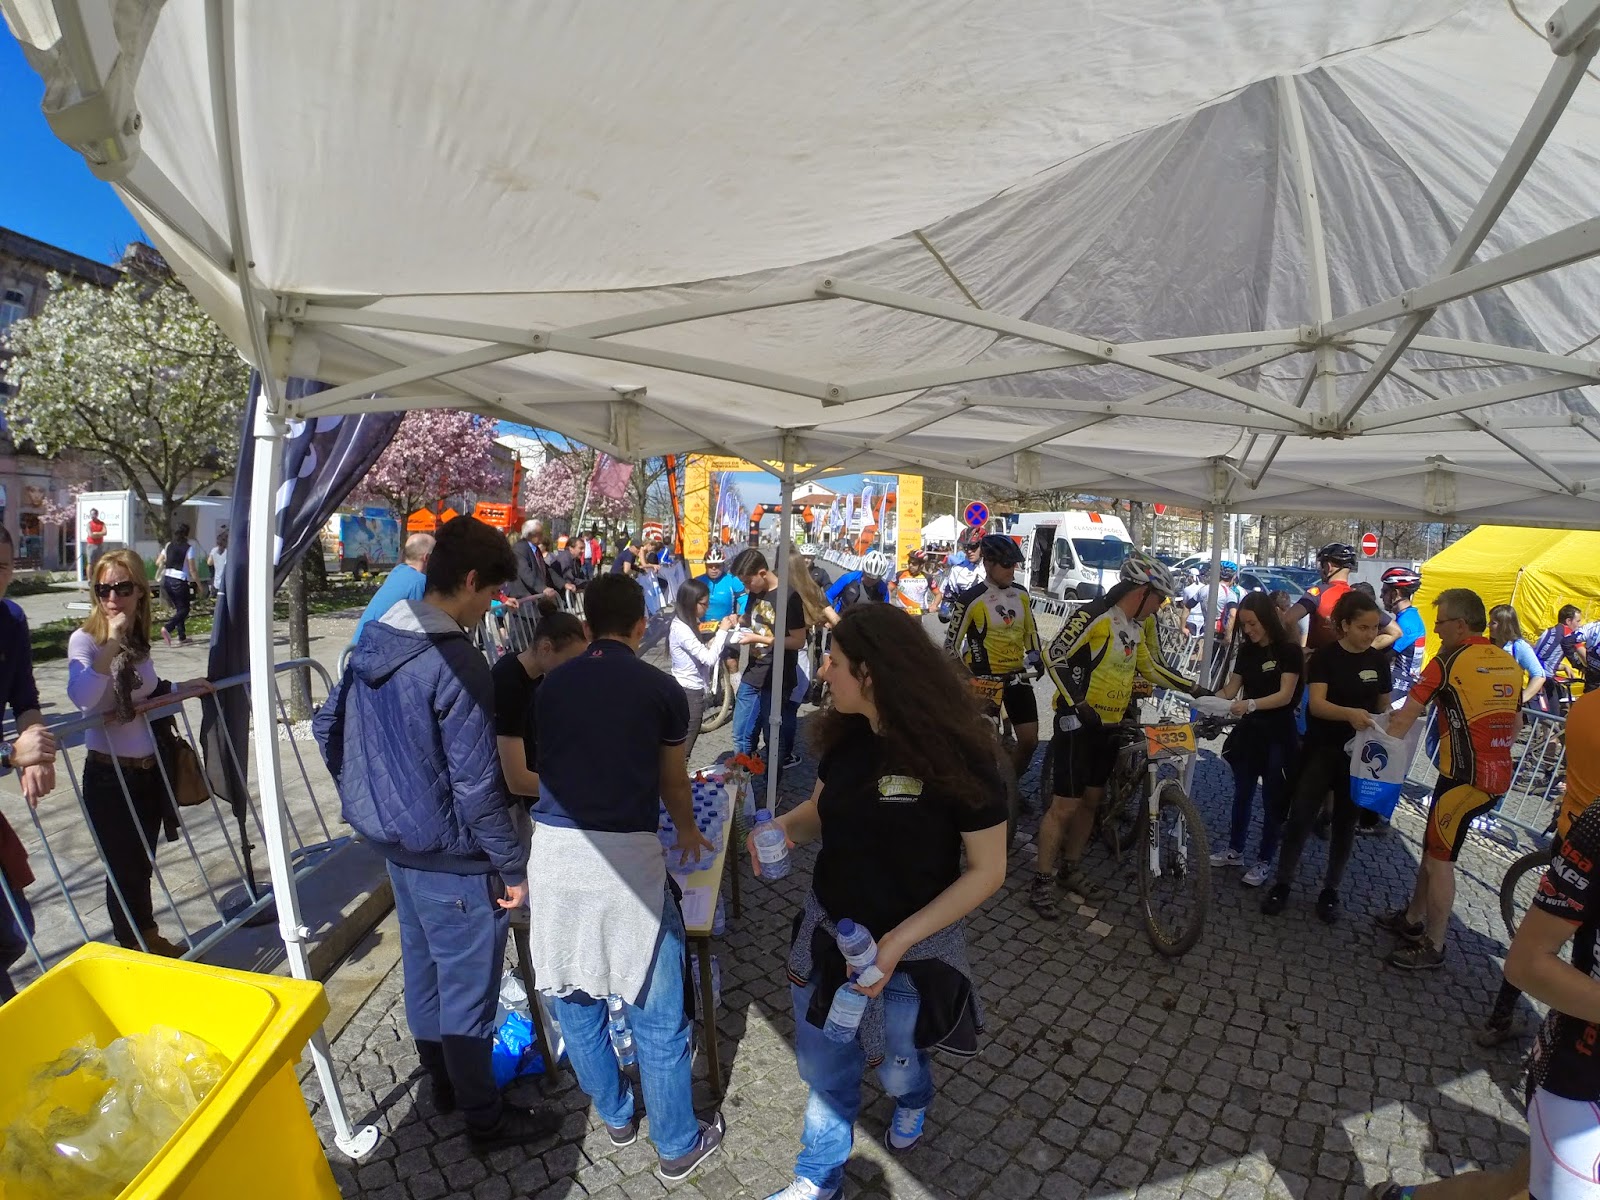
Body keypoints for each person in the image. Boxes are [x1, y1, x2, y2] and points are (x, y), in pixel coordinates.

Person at [313, 516, 557, 1152]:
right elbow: (477, 785)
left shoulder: (376, 636)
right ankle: (484, 1118)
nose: (491, 608)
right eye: (490, 594)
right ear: (470, 581)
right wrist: (512, 867)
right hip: (453, 858)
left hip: (398, 847)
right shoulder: (456, 660)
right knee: (468, 992)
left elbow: (327, 726)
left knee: (423, 973)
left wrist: (370, 794)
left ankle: (445, 1085)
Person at [748, 603, 1008, 1200]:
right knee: (824, 1070)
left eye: (834, 662)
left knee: (896, 1070)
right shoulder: (846, 734)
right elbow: (819, 812)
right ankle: (819, 1177)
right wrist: (782, 830)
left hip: (909, 956)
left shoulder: (961, 754)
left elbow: (988, 870)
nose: (822, 672)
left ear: (870, 672)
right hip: (828, 936)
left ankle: (915, 1096)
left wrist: (896, 943)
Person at [523, 574, 725, 1181]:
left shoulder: (551, 686)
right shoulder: (661, 689)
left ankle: (615, 1117)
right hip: (626, 863)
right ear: (642, 626)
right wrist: (686, 831)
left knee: (576, 1001)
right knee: (657, 1017)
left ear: (586, 627)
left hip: (553, 854)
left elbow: (550, 765)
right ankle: (676, 1145)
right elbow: (672, 779)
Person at [1034, 552, 1198, 918]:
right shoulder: (1094, 614)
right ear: (1141, 591)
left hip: (1110, 726)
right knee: (1065, 805)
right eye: (1159, 599)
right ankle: (1042, 881)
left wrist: (1196, 689)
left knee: (1092, 802)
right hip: (1078, 723)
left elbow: (1150, 669)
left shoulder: (1135, 626)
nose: (1159, 608)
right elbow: (1054, 654)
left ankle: (1071, 868)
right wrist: (1078, 703)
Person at [1376, 589, 1521, 969]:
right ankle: (1412, 919)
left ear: (1460, 624)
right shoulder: (1507, 662)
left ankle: (1434, 945)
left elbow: (1404, 718)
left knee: (1440, 860)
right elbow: (1517, 723)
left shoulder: (1447, 661)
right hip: (1491, 776)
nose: (1436, 630)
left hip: (1462, 780)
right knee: (1432, 847)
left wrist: (1368, 748)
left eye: (1440, 622)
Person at [68, 550, 183, 955]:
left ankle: (146, 935)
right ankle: (133, 943)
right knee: (123, 866)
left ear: (140, 592)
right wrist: (111, 643)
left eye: (122, 587)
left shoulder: (139, 643)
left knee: (141, 861)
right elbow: (83, 696)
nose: (112, 598)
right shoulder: (85, 640)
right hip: (108, 774)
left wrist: (183, 689)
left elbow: (146, 693)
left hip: (147, 769)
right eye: (104, 590)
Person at [1476, 686, 1600, 1047]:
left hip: (1569, 834)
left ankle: (1500, 1019)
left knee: (1536, 938)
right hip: (1592, 850)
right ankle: (1565, 1044)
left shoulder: (1586, 705)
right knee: (1584, 960)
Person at [1262, 590, 1392, 922]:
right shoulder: (1325, 657)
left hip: (1359, 756)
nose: (1370, 634)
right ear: (1345, 625)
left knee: (1345, 824)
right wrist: (1350, 714)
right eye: (1363, 627)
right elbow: (1317, 705)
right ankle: (1282, 883)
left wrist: (1392, 723)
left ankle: (1331, 890)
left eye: (1375, 627)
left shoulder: (1379, 661)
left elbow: (1383, 705)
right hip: (1321, 749)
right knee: (1301, 817)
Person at [0, 526, 58, 1001]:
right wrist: (11, 755)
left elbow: (25, 697)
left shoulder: (10, 619)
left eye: (1, 567)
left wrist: (37, 744)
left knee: (16, 928)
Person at [1211, 591, 1302, 887]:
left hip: (1279, 734)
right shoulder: (1247, 651)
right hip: (1250, 733)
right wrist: (1206, 701)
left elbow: (1285, 695)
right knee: (1242, 793)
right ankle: (1235, 849)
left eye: (1253, 624)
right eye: (1244, 625)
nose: (1248, 630)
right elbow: (1231, 689)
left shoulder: (1289, 651)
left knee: (1272, 800)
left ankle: (1264, 860)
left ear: (1267, 619)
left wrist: (1251, 704)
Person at [944, 533, 1045, 782]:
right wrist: (966, 675)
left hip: (1016, 675)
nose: (1012, 569)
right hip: (983, 678)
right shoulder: (970, 599)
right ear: (988, 563)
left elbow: (1030, 631)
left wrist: (1035, 655)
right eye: (1007, 564)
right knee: (985, 745)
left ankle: (1009, 788)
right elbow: (950, 646)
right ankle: (981, 790)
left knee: (1030, 741)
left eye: (1015, 564)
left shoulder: (1021, 594)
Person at [491, 599, 588, 803]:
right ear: (546, 648)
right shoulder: (508, 683)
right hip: (507, 802)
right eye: (569, 662)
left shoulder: (536, 677)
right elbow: (516, 779)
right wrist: (579, 790)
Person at [730, 548, 808, 767]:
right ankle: (742, 779)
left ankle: (770, 783)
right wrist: (737, 620)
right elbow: (752, 618)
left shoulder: (788, 597)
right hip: (754, 671)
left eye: (748, 582)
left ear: (762, 573)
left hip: (777, 675)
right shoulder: (756, 591)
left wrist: (759, 638)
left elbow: (798, 640)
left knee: (772, 736)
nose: (746, 587)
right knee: (741, 733)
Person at [1283, 542, 1402, 652]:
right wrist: (1362, 650)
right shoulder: (1359, 598)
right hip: (1350, 664)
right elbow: (1395, 632)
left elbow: (1289, 619)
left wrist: (1299, 651)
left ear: (1328, 567)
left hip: (1319, 663)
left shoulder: (1318, 593)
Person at [668, 578, 737, 762]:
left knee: (682, 746)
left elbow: (699, 652)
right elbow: (709, 659)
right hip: (689, 690)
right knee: (684, 749)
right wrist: (723, 631)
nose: (706, 608)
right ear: (692, 603)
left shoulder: (686, 622)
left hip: (687, 687)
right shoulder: (682, 628)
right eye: (704, 604)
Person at [353, 532, 434, 643]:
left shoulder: (398, 571)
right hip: (373, 649)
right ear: (427, 558)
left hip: (359, 646)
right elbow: (421, 628)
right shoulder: (418, 582)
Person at [1491, 604, 1549, 710]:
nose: (1488, 626)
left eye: (1493, 623)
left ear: (1505, 624)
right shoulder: (1488, 646)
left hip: (1509, 707)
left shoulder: (1519, 646)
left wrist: (1520, 699)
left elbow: (1539, 675)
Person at [1380, 568, 1427, 693]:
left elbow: (1382, 656)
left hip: (1400, 688)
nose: (1381, 596)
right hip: (1403, 684)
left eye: (1384, 591)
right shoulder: (1408, 617)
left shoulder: (1407, 623)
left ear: (1395, 594)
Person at [1535, 604, 1589, 711]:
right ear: (1568, 621)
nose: (1580, 625)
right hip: (1544, 679)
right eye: (1578, 621)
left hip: (1536, 675)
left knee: (1559, 703)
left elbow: (1544, 658)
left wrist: (1564, 666)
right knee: (1553, 715)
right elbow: (1585, 656)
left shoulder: (1549, 631)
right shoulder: (1569, 633)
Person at [156, 522, 200, 646]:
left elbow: (158, 562)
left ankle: (182, 636)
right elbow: (192, 569)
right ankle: (168, 628)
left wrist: (169, 560)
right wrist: (199, 585)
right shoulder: (188, 548)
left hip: (167, 580)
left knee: (179, 609)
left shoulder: (168, 545)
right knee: (185, 609)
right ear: (187, 534)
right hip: (179, 581)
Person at [825, 552, 893, 610]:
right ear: (863, 570)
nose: (870, 580)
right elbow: (828, 596)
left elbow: (885, 610)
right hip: (842, 617)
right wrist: (832, 616)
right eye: (868, 576)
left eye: (874, 579)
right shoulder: (849, 578)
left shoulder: (883, 588)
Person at [892, 550, 936, 615]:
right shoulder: (899, 574)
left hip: (918, 613)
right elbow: (888, 589)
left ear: (921, 565)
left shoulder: (927, 577)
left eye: (914, 564)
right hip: (901, 613)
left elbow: (938, 594)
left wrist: (934, 605)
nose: (910, 565)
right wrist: (889, 604)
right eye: (909, 562)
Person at [206, 527, 229, 604]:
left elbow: (209, 563)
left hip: (217, 582)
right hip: (226, 582)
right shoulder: (228, 551)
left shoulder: (214, 550)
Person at [83, 507, 107, 572]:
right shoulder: (89, 524)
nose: (92, 516)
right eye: (91, 514)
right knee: (90, 563)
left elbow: (105, 532)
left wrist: (96, 533)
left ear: (97, 515)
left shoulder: (102, 524)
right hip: (91, 545)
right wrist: (100, 534)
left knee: (99, 563)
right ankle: (89, 578)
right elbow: (91, 535)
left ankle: (97, 576)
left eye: (93, 514)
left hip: (99, 545)